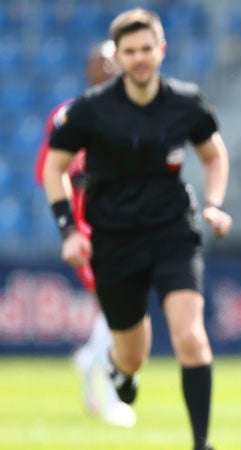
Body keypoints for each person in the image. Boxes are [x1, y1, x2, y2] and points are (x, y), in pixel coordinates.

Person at [42, 8, 231, 450]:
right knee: (132, 354)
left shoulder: (186, 102)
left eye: (147, 48)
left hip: (173, 233)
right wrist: (69, 230)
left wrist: (214, 204)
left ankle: (202, 443)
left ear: (161, 50)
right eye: (130, 51)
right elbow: (54, 168)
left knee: (191, 336)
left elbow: (214, 155)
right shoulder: (91, 110)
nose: (140, 58)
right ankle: (121, 370)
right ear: (118, 56)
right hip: (114, 241)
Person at [34, 39, 137, 428]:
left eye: (115, 61)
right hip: (89, 227)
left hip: (130, 224)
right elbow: (48, 171)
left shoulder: (136, 112)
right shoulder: (68, 115)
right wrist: (70, 225)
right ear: (90, 69)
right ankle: (111, 395)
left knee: (122, 307)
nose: (111, 67)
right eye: (104, 61)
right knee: (117, 307)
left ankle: (92, 357)